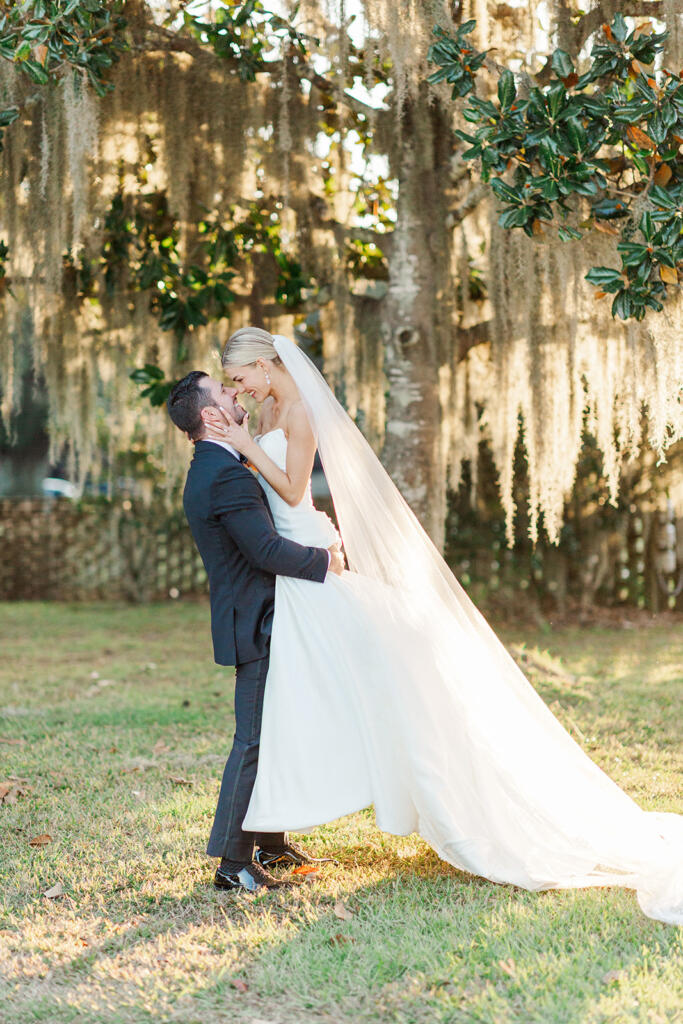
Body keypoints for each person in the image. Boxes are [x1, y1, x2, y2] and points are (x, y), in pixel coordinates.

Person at [197, 325, 683, 925]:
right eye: (231, 383)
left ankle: (438, 793)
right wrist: (254, 450)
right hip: (300, 568)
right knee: (301, 702)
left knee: (383, 685)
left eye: (240, 376)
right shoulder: (268, 409)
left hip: (311, 566)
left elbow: (295, 489)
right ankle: (272, 835)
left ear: (265, 364)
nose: (238, 388)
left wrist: (248, 447)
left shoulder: (296, 410)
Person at [167, 371, 343, 894]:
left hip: (262, 614)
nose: (234, 392)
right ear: (211, 415)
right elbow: (264, 551)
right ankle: (232, 863)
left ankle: (270, 843)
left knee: (275, 732)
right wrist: (325, 560)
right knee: (253, 741)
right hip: (258, 620)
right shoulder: (224, 475)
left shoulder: (217, 465)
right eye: (224, 392)